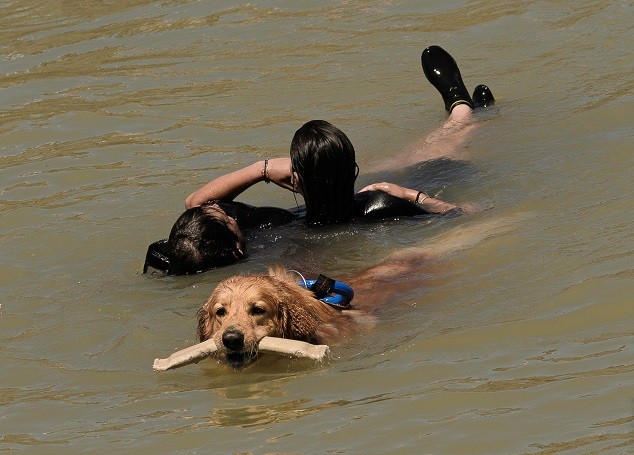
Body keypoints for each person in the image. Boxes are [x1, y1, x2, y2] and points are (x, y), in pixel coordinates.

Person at [144, 45, 494, 275]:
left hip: (356, 189)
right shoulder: (379, 203)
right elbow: (466, 213)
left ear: (295, 180)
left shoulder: (274, 225)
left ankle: (464, 109)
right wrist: (410, 195)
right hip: (408, 186)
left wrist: (262, 169)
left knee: (409, 156)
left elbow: (197, 205)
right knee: (436, 150)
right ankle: (460, 105)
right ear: (352, 170)